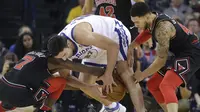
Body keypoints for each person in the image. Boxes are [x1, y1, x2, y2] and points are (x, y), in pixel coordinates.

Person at [55, 14, 145, 112]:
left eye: (64, 54)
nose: (64, 59)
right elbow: (67, 78)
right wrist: (50, 80)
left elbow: (113, 46)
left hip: (112, 34)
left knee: (126, 73)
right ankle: (113, 108)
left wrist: (108, 74)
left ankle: (142, 110)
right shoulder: (58, 54)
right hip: (95, 45)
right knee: (84, 83)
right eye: (61, 58)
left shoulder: (80, 35)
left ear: (68, 44)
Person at [0, 35, 106, 112]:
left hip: (3, 87)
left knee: (53, 81)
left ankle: (5, 106)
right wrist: (108, 73)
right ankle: (44, 110)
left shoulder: (33, 53)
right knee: (60, 81)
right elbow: (88, 70)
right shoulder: (58, 61)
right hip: (18, 95)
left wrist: (86, 87)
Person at [128, 2, 200, 112]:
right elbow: (148, 31)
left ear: (146, 16)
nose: (136, 25)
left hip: (191, 53)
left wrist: (142, 75)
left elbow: (161, 61)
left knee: (167, 85)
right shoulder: (152, 19)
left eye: (137, 22)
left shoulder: (163, 28)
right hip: (177, 54)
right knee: (153, 84)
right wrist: (132, 46)